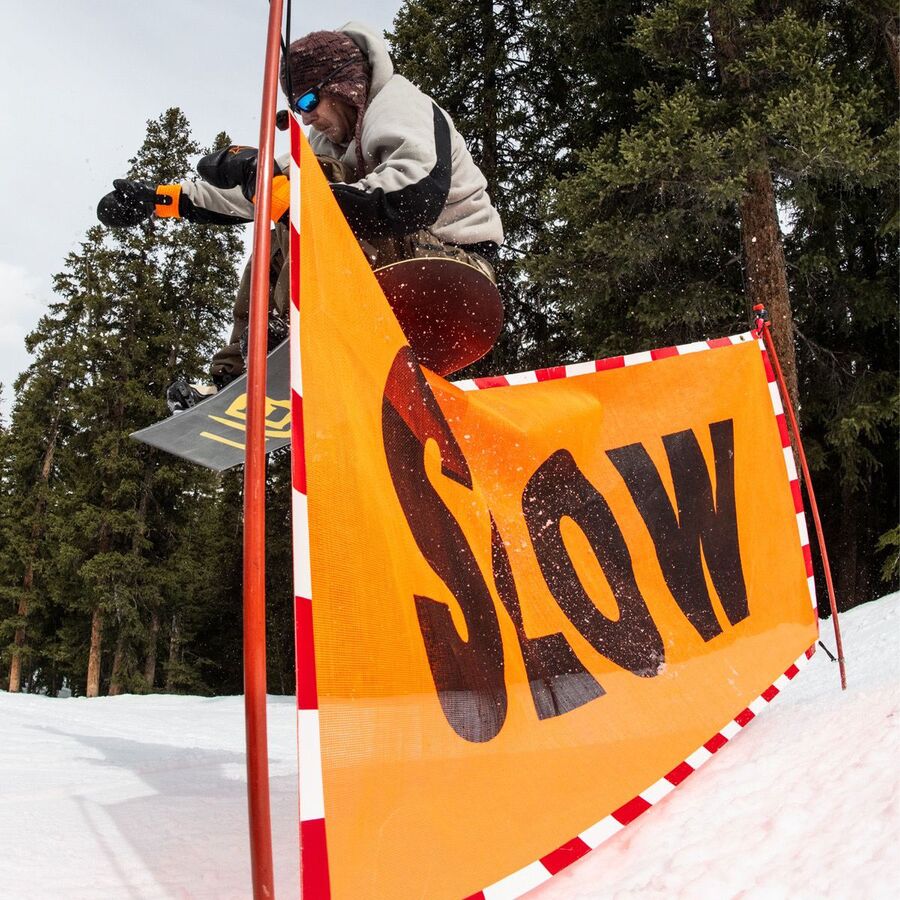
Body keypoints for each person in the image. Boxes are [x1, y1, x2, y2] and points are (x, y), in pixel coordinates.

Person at [97, 21, 503, 412]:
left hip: (452, 270)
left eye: (309, 102)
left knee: (307, 188)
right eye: (296, 107)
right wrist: (164, 199)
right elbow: (259, 198)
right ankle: (241, 373)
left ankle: (290, 334)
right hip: (394, 273)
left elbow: (412, 197)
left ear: (343, 87)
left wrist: (290, 194)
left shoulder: (398, 105)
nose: (306, 117)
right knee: (281, 212)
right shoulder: (326, 138)